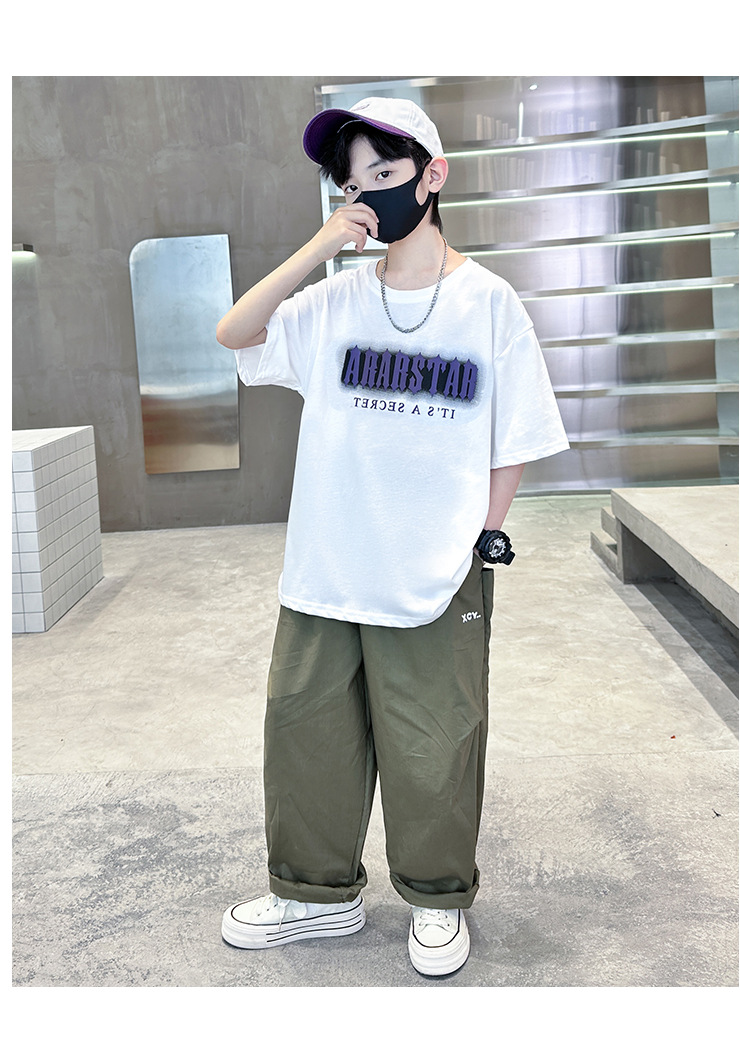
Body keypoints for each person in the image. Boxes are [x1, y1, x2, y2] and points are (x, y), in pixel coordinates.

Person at [216, 96, 569, 977]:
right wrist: (321, 246)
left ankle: (437, 900)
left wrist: (483, 540)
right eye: (351, 183)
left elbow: (516, 437)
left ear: (432, 175)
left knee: (434, 743)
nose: (366, 194)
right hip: (326, 566)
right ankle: (314, 896)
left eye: (384, 173)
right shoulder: (334, 301)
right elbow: (236, 332)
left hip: (434, 569)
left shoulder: (488, 303)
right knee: (304, 733)